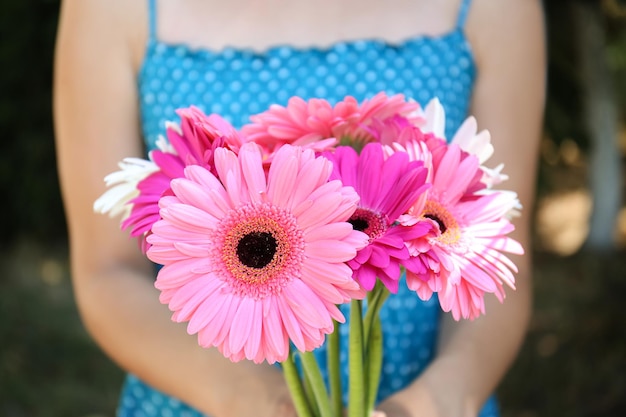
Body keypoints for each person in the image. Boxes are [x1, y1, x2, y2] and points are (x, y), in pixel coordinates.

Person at [53, 0, 546, 416]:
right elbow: (107, 271)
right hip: (205, 398)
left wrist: (434, 402)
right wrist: (258, 401)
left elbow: (495, 256)